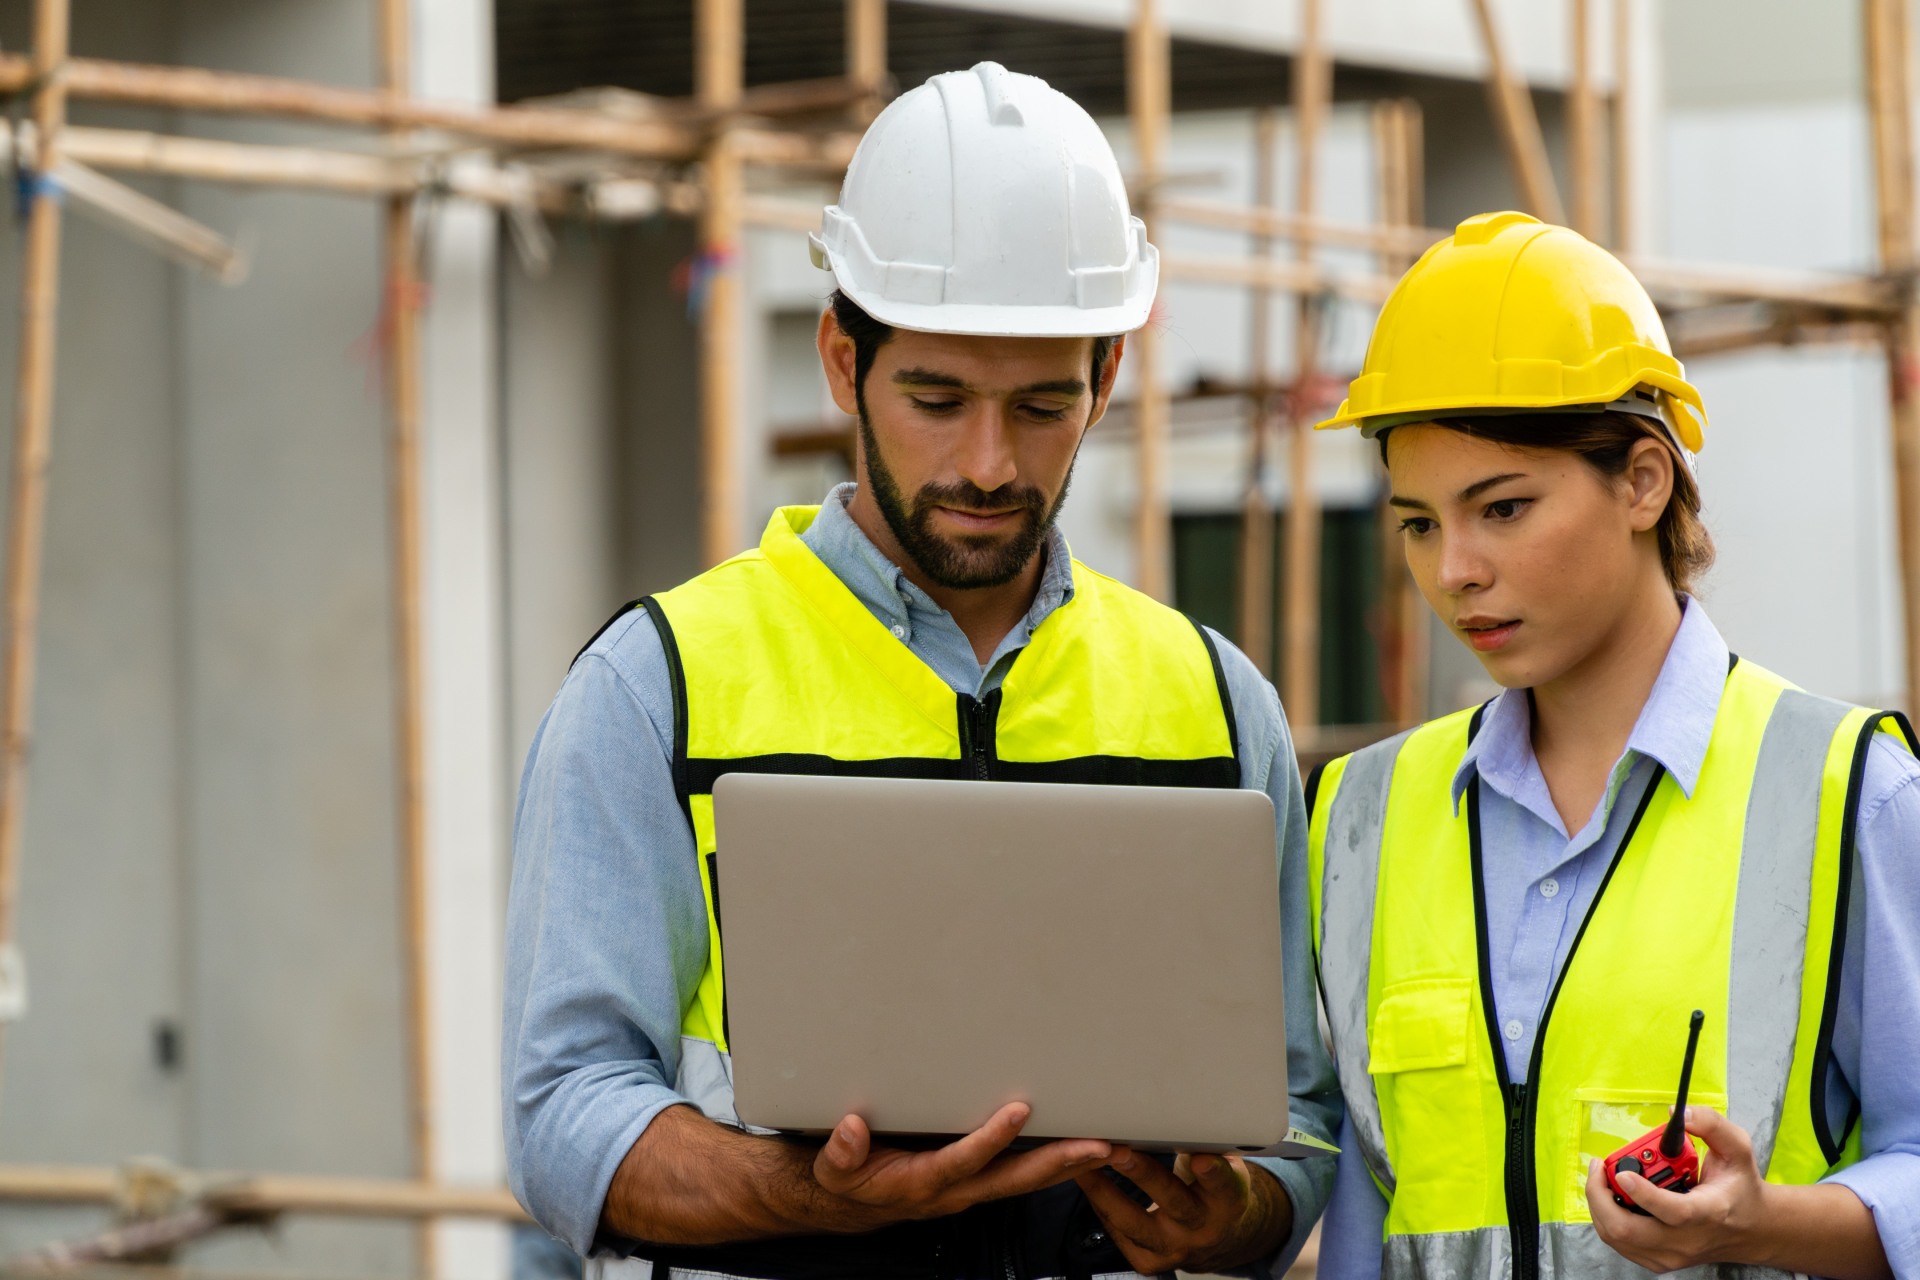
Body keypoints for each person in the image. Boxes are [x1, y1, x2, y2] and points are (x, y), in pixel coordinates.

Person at [502, 62, 1341, 1280]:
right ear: (844, 361)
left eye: (1043, 405)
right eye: (937, 398)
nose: (990, 462)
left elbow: (1300, 1117)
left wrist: (1246, 1211)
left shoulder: (1214, 701)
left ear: (1107, 378)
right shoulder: (660, 686)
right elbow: (561, 1114)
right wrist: (798, 1195)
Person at [1305, 210, 1920, 1280]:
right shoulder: (1361, 812)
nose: (1454, 569)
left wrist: (1761, 1219)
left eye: (1501, 508)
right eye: (1416, 522)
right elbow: (1368, 1193)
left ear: (1644, 480)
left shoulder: (1848, 790)